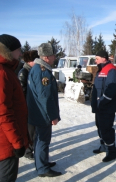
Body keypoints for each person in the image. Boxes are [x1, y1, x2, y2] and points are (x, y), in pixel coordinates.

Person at [26, 43, 62, 177]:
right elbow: (45, 97)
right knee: (43, 141)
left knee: (39, 140)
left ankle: (42, 162)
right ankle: (42, 168)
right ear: (46, 57)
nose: (55, 57)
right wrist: (52, 116)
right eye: (53, 55)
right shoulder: (43, 72)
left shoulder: (36, 68)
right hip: (42, 114)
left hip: (37, 112)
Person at [0, 34, 29, 181]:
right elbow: (3, 113)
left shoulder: (7, 70)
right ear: (9, 51)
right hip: (6, 144)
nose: (21, 53)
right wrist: (17, 143)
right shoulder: (3, 73)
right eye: (19, 50)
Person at [91, 50, 116, 162]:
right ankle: (103, 146)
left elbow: (111, 90)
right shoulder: (101, 69)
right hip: (100, 106)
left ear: (104, 58)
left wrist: (102, 102)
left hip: (106, 106)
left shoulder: (111, 69)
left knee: (106, 129)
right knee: (100, 127)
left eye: (97, 58)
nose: (95, 60)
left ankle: (112, 151)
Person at [18, 50, 38, 160]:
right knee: (29, 131)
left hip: (32, 106)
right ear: (30, 61)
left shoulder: (31, 71)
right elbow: (22, 92)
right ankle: (28, 150)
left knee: (33, 130)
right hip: (27, 107)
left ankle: (32, 148)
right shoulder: (24, 72)